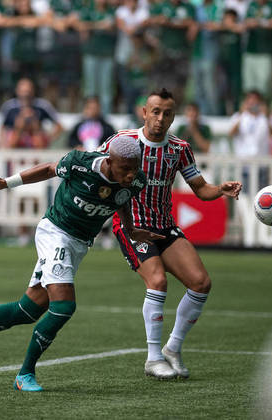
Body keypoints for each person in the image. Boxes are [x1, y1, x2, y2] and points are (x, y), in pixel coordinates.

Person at [0, 136, 163, 391]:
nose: (131, 174)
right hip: (55, 233)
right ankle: (25, 374)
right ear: (109, 161)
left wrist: (131, 230)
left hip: (78, 244)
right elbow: (48, 169)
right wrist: (5, 183)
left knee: (26, 310)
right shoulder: (80, 164)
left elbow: (121, 200)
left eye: (135, 168)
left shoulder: (136, 181)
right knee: (64, 306)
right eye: (125, 169)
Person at [99, 88, 242, 379]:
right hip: (132, 226)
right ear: (144, 112)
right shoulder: (121, 142)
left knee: (201, 283)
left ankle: (172, 349)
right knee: (158, 280)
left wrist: (220, 190)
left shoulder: (179, 149)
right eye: (155, 112)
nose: (160, 119)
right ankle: (153, 358)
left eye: (167, 113)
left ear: (173, 116)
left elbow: (200, 189)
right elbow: (95, 173)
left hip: (164, 226)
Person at [0, 78, 63, 145]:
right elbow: (2, 129)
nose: (25, 95)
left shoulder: (43, 105)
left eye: (28, 91)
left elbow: (59, 126)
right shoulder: (9, 106)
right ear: (17, 91)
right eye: (23, 91)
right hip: (14, 144)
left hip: (37, 144)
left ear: (33, 91)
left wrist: (47, 139)